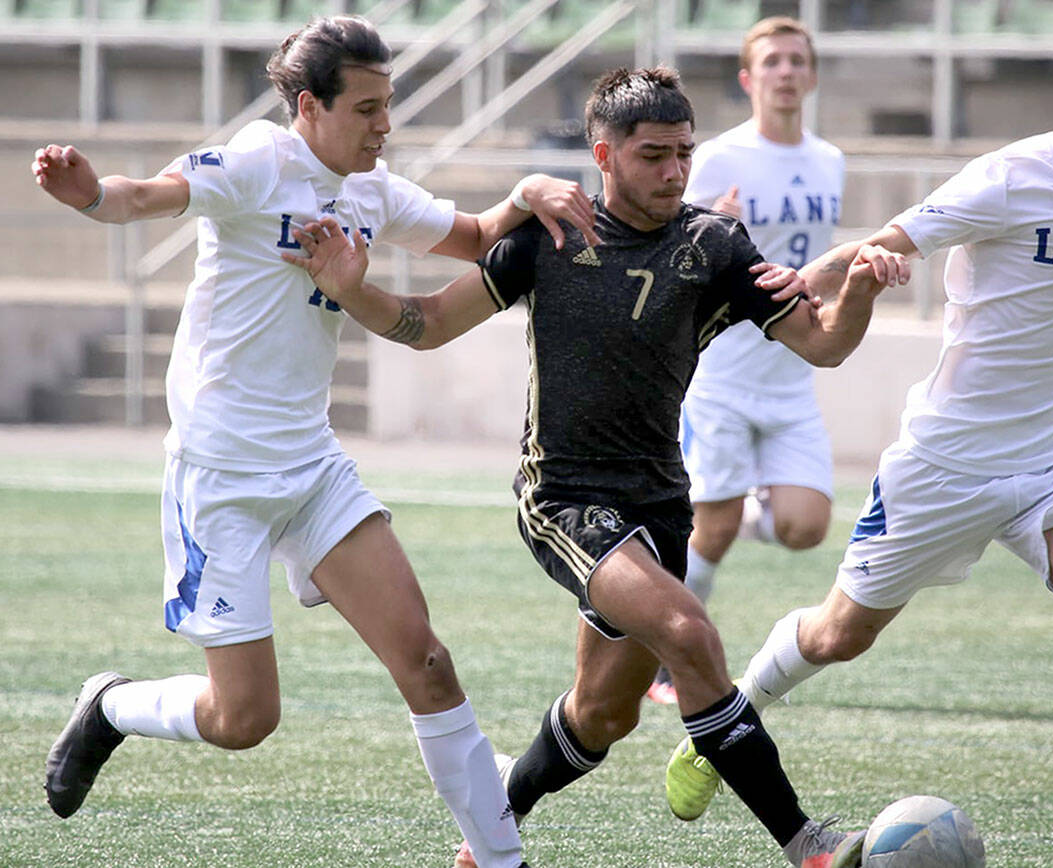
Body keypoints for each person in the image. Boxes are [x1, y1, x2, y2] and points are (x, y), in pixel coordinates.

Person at [281, 66, 910, 868]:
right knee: (688, 631)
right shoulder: (547, 236)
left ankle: (491, 827)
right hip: (565, 500)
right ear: (603, 154)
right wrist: (352, 290)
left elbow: (824, 344)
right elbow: (428, 322)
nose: (675, 172)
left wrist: (858, 288)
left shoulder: (713, 245)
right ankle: (806, 844)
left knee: (601, 715)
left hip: (659, 505)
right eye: (654, 155)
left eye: (684, 152)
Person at [33, 16, 600, 868]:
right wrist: (84, 192)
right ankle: (111, 706)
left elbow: (480, 235)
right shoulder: (258, 161)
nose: (385, 125)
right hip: (220, 475)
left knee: (430, 663)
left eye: (389, 105)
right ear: (309, 105)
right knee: (244, 721)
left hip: (312, 467)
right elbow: (141, 197)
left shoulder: (370, 191)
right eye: (367, 108)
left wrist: (530, 188)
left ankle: (500, 859)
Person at [663, 31, 1053, 868]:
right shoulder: (1003, 179)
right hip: (947, 462)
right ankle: (722, 725)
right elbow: (882, 239)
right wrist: (812, 280)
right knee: (841, 634)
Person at [646, 16, 844, 706]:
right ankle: (665, 665)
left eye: (797, 61)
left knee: (804, 526)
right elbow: (668, 244)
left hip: (790, 373)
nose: (786, 72)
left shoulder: (830, 161)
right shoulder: (720, 158)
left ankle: (749, 503)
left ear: (811, 75)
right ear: (749, 79)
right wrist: (705, 221)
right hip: (723, 372)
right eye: (773, 63)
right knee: (715, 529)